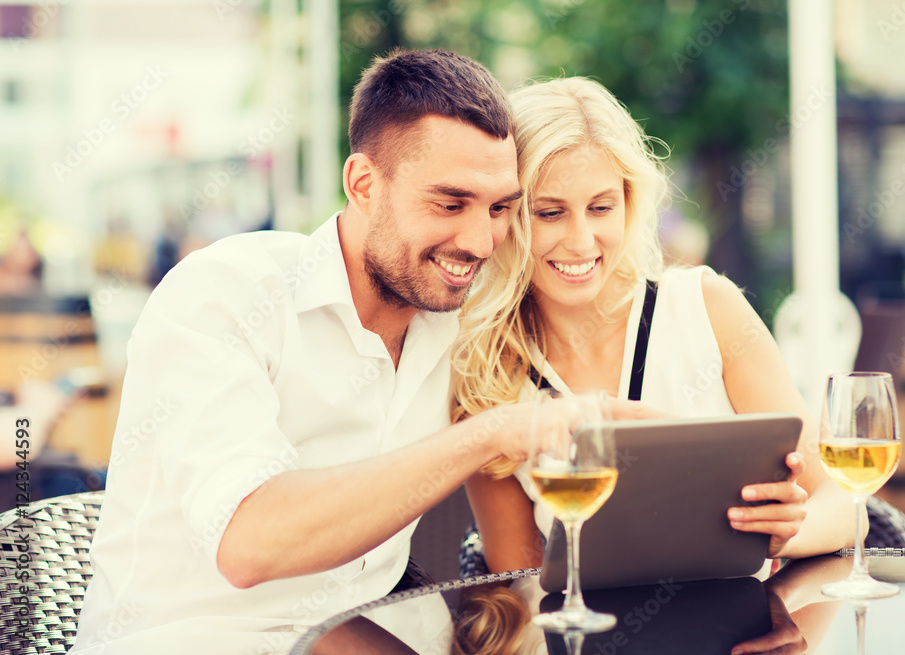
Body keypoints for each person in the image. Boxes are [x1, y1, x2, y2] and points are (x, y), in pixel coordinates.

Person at [71, 50, 621, 655]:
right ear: (363, 183)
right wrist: (488, 436)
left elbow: (576, 410)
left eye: (499, 209)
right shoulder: (222, 296)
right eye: (449, 203)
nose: (480, 241)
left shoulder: (463, 324)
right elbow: (251, 543)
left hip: (371, 633)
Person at [452, 77, 858, 578]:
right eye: (550, 213)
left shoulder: (708, 308)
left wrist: (790, 533)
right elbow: (517, 577)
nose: (581, 241)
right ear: (507, 217)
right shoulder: (483, 371)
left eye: (601, 208)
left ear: (629, 202)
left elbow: (843, 498)